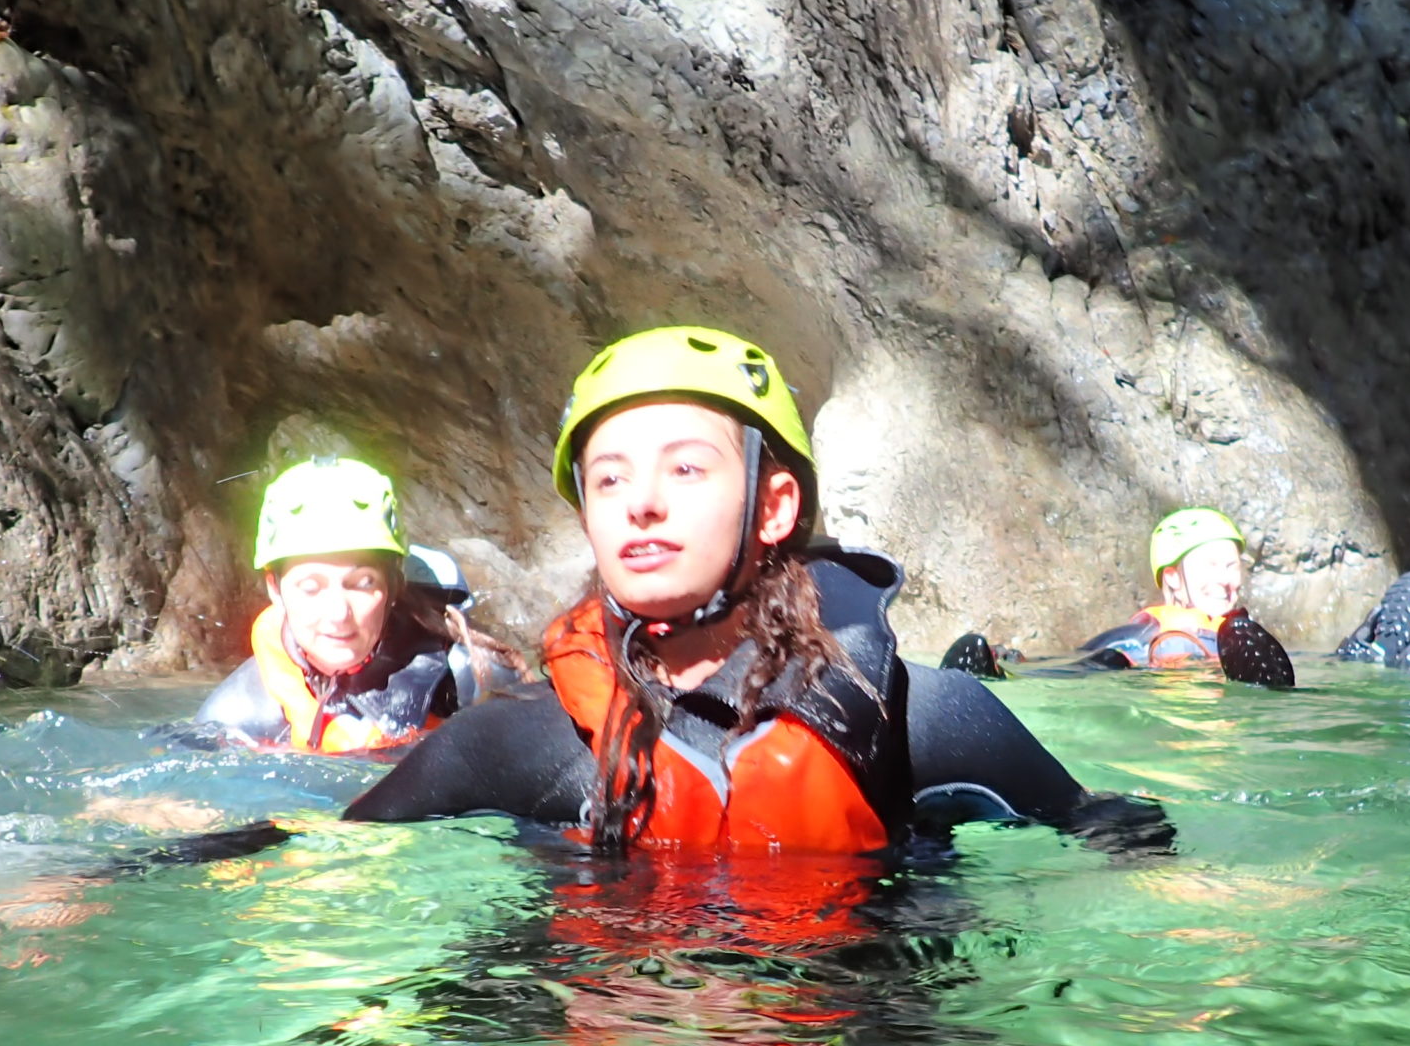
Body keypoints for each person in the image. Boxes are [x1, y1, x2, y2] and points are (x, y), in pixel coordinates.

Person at [344, 326, 1170, 853]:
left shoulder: (915, 721)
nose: (642, 502)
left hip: (841, 1023)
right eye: (608, 479)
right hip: (610, 1023)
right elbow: (329, 848)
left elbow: (1109, 827)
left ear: (773, 507)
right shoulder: (514, 741)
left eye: (687, 468)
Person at [190, 456, 523, 752]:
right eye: (310, 587)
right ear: (275, 590)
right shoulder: (237, 718)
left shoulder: (471, 681)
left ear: (394, 585)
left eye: (363, 583)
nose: (338, 614)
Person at [1067, 508, 1295, 688]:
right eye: (1211, 565)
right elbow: (1065, 672)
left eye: (1231, 566)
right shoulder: (1135, 641)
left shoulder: (1249, 641)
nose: (1225, 579)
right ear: (1173, 577)